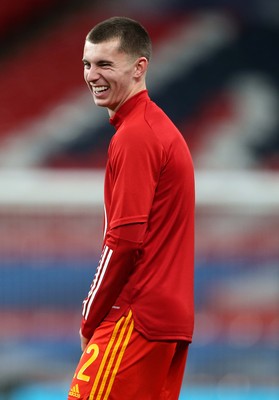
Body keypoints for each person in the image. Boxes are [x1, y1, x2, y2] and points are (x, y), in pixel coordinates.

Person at [68, 16, 195, 400]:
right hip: (165, 318)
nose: (93, 75)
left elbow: (123, 240)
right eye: (88, 64)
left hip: (134, 314)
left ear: (140, 67)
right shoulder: (155, 128)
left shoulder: (136, 136)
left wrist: (90, 315)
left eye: (106, 64)